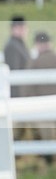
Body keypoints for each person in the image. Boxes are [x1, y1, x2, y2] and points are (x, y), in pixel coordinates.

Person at [25, 31, 56, 164]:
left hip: (41, 107)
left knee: (44, 135)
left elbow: (27, 87)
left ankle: (46, 160)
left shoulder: (34, 62)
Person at [3, 15, 30, 98]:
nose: (24, 31)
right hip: (18, 91)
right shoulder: (12, 46)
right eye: (21, 28)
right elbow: (14, 70)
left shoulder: (19, 44)